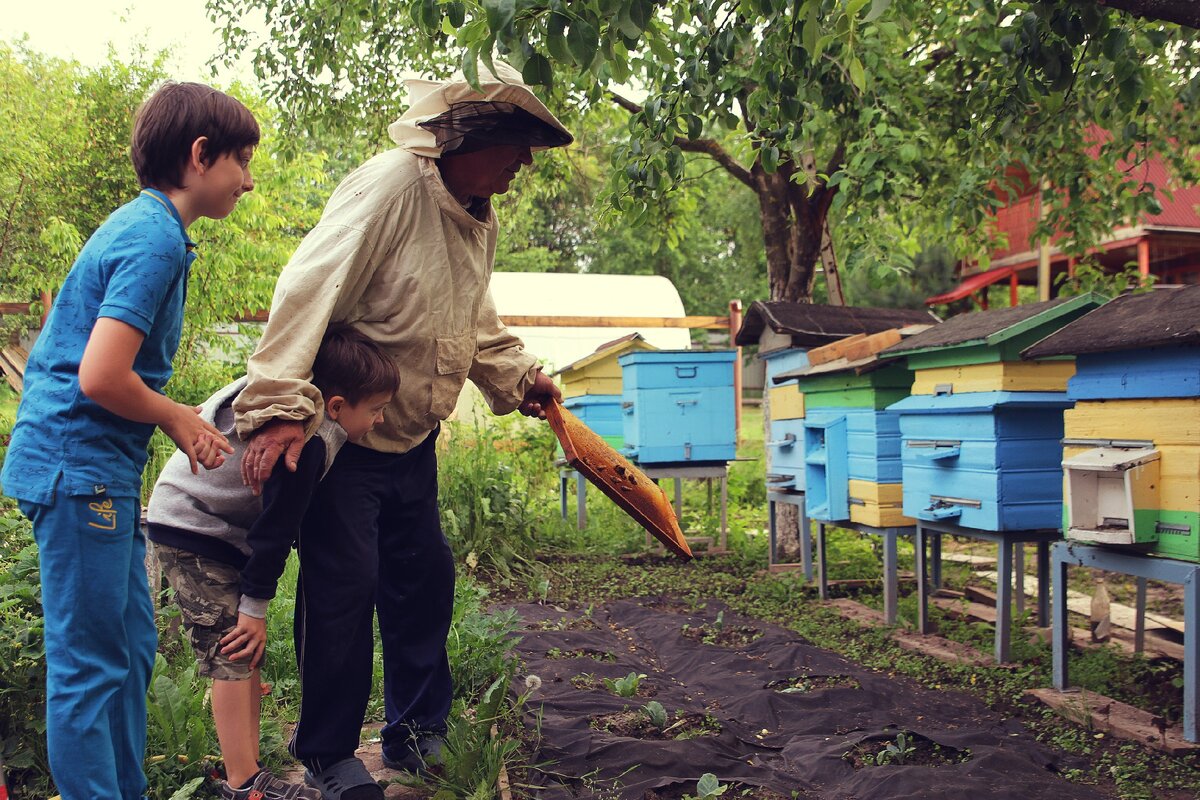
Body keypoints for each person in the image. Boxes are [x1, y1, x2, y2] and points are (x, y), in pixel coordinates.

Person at [231, 61, 571, 798]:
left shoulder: (478, 209)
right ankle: (328, 755)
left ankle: (417, 738)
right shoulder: (390, 186)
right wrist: (282, 407)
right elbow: (307, 285)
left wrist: (519, 377)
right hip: (345, 439)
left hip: (413, 436)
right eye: (514, 145)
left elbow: (470, 317)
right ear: (464, 136)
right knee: (343, 590)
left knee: (425, 583)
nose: (523, 163)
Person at [0, 82, 257, 800]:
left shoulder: (150, 229)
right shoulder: (151, 240)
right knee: (89, 661)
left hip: (94, 471)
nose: (249, 177)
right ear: (201, 156)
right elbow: (101, 374)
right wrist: (176, 415)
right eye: (241, 159)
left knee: (131, 647)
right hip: (75, 470)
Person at [146, 326, 399, 800]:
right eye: (377, 410)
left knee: (244, 652)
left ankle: (247, 770)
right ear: (339, 405)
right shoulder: (311, 436)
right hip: (195, 527)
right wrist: (254, 606)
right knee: (233, 650)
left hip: (211, 526)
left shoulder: (286, 391)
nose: (382, 420)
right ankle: (243, 782)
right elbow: (277, 528)